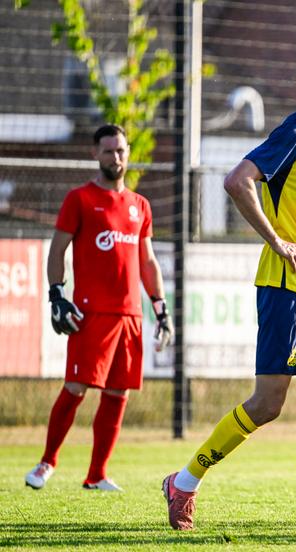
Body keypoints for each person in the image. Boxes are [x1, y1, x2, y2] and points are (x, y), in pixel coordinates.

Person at [161, 48, 296, 534]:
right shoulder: (294, 134)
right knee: (267, 405)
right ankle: (184, 480)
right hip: (285, 289)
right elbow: (237, 181)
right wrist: (277, 241)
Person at [24, 124, 173, 492]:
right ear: (95, 154)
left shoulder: (141, 206)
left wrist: (160, 307)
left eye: (121, 150)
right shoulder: (79, 198)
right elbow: (58, 250)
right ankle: (46, 463)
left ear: (128, 152)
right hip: (91, 314)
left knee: (118, 393)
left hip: (130, 316)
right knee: (76, 387)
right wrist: (57, 294)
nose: (116, 157)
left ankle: (97, 474)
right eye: (108, 151)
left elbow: (148, 261)